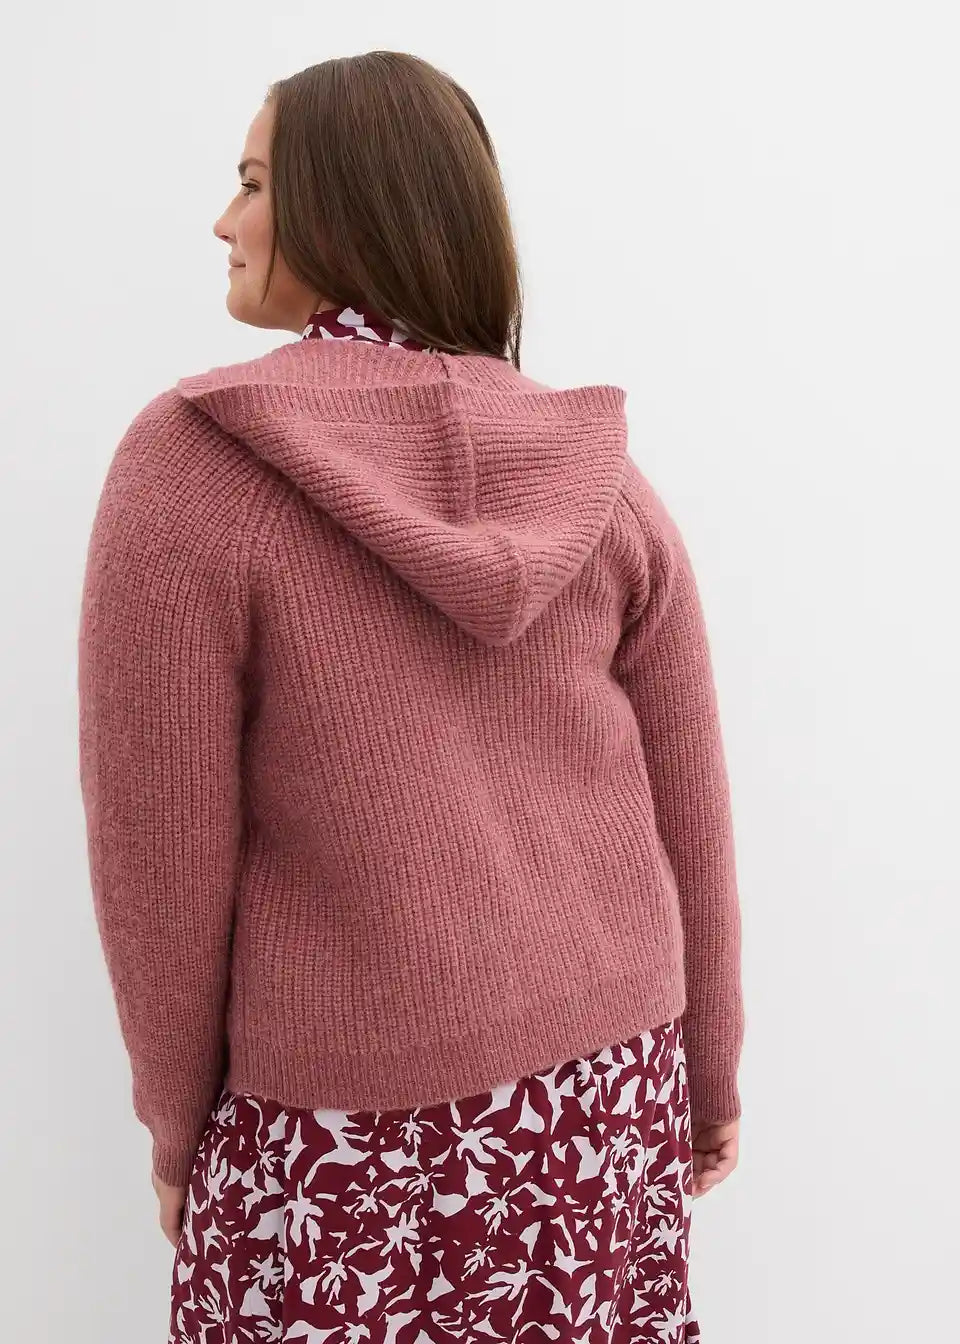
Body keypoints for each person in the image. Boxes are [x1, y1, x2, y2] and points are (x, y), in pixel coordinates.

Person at [77, 50, 744, 1344]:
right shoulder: (602, 479)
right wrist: (706, 1073)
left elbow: (159, 859)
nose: (223, 220)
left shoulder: (192, 467)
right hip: (606, 1095)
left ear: (346, 203)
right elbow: (690, 809)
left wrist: (177, 1127)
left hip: (341, 1133)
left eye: (254, 181)